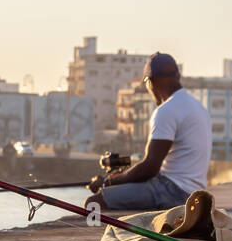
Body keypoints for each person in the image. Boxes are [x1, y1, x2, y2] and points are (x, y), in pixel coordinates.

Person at [85, 53, 211, 211]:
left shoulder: (167, 110)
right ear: (178, 76)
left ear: (151, 81)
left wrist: (108, 183)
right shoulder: (197, 107)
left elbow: (150, 168)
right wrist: (119, 178)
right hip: (194, 194)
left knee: (94, 202)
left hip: (172, 192)